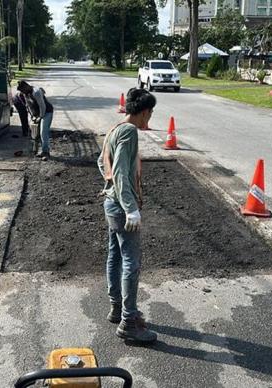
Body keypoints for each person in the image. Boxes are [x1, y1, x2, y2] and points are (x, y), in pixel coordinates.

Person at [97, 88, 157, 344]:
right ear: (143, 112)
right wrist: (130, 206)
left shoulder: (114, 129)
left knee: (115, 255)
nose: (150, 119)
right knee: (131, 260)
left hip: (111, 203)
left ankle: (117, 309)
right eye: (150, 113)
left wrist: (112, 189)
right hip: (121, 208)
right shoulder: (130, 132)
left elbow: (103, 163)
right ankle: (129, 322)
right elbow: (121, 172)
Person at [17, 80, 54, 159]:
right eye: (21, 91)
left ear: (26, 87)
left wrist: (40, 117)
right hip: (38, 114)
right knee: (35, 133)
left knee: (43, 132)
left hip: (47, 112)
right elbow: (28, 105)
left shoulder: (36, 92)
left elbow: (42, 106)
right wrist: (32, 116)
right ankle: (36, 150)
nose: (22, 92)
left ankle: (45, 152)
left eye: (23, 90)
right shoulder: (25, 93)